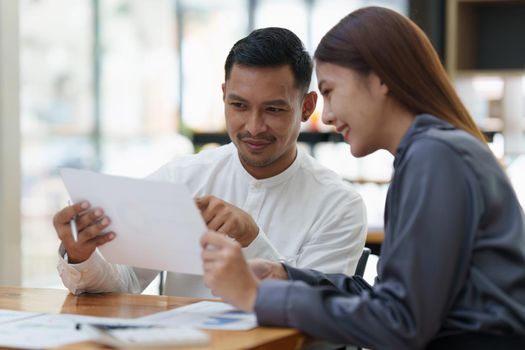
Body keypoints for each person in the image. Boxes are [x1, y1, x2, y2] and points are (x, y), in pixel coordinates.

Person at [199, 7, 525, 349]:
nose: (326, 116)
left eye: (329, 91)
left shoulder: (434, 156)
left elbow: (400, 324)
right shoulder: (431, 152)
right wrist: (285, 277)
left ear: (379, 79)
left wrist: (257, 297)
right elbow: (395, 302)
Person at [54, 27, 367, 298]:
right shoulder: (181, 178)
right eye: (239, 105)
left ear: (307, 106)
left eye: (273, 110)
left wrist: (252, 239)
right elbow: (127, 282)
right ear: (224, 96)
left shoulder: (338, 204)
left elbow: (316, 312)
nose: (254, 126)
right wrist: (82, 254)